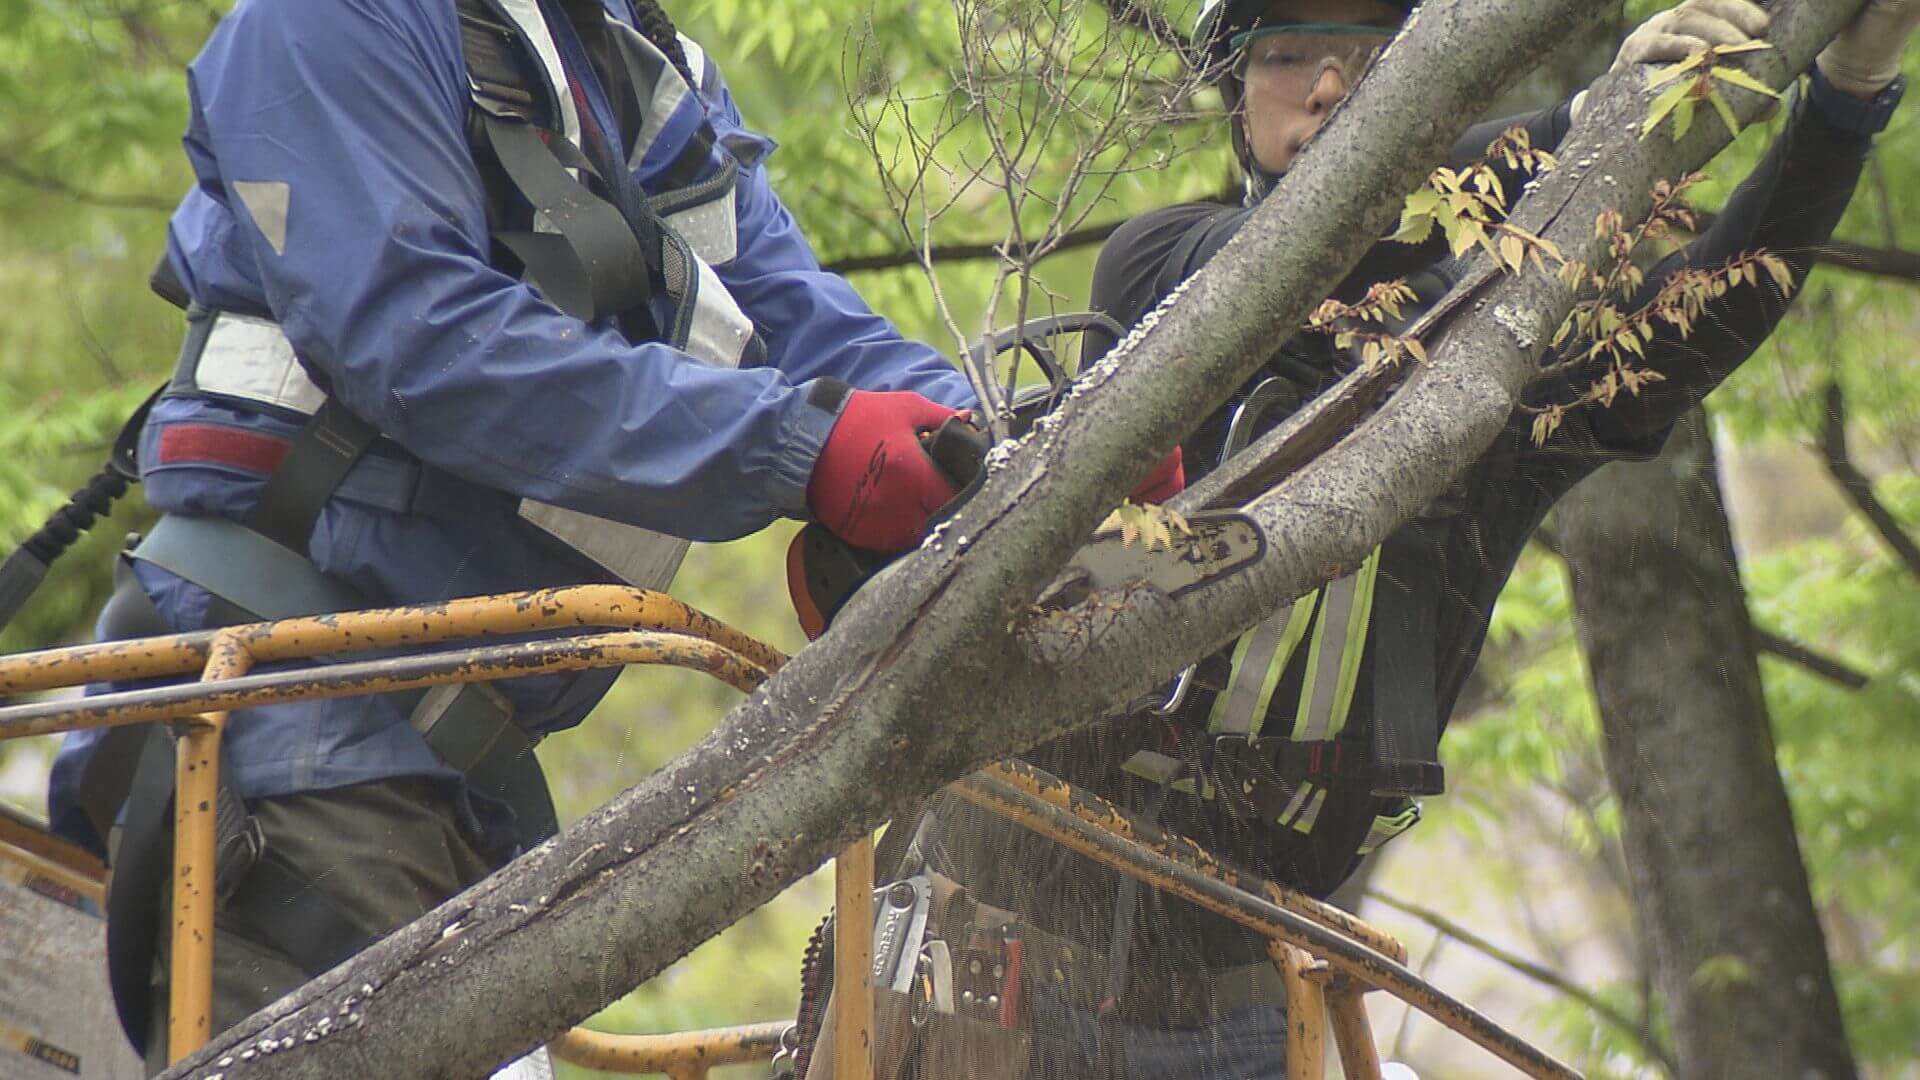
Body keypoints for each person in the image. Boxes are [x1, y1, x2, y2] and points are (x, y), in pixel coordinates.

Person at [901, 0, 1915, 1076]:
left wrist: (1844, 101)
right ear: (1236, 101)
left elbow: (1691, 321)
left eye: (1369, 61)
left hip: (1246, 1001)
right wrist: (1584, 119)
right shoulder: (1164, 274)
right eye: (1286, 58)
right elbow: (1291, 266)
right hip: (997, 961)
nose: (1329, 89)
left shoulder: (1485, 382)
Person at [34, 0, 1038, 1069]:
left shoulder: (627, 67)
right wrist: (800, 447)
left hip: (459, 787)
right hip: (290, 729)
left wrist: (1015, 439)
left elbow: (789, 309)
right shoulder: (335, 20)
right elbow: (419, 334)